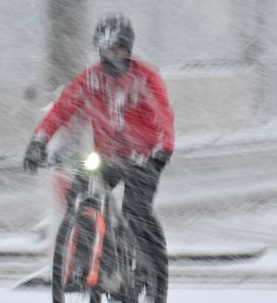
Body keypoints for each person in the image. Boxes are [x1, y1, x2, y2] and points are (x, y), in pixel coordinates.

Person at [23, 14, 176, 274]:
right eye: (107, 49)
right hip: (106, 156)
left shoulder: (145, 77)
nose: (113, 55)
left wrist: (163, 148)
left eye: (118, 48)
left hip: (144, 156)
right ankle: (87, 258)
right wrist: (39, 141)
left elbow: (163, 115)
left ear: (128, 49)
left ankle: (150, 267)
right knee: (78, 194)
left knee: (136, 212)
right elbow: (61, 111)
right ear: (99, 50)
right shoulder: (90, 79)